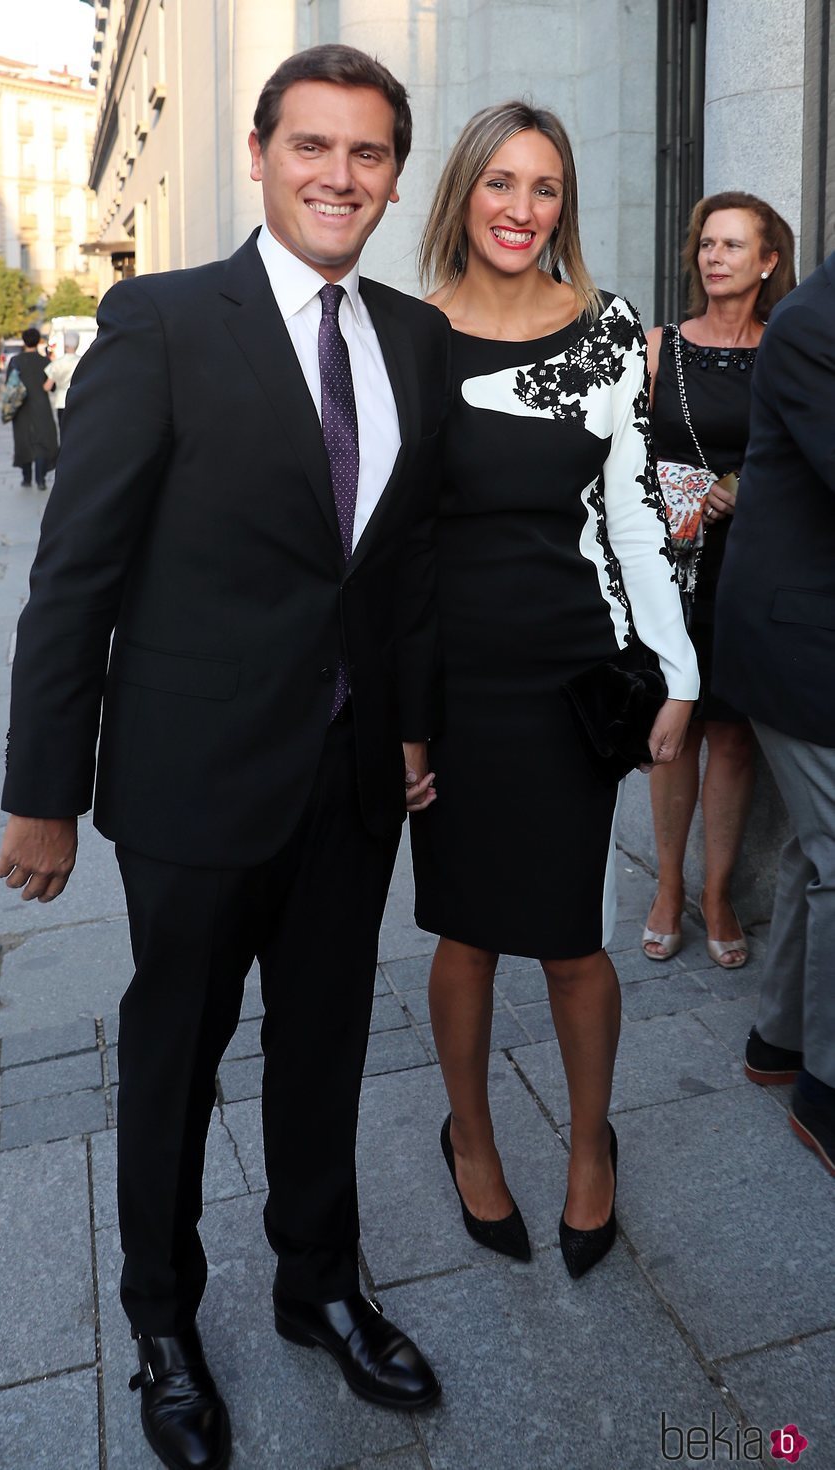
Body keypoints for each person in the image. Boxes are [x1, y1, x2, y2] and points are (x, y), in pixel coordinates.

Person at [0, 44, 449, 1470]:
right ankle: (164, 1321)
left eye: (368, 154)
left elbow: (402, 567)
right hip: (194, 778)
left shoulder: (414, 337)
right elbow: (78, 571)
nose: (339, 175)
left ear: (392, 176)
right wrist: (43, 791)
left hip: (351, 777)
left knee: (322, 1045)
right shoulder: (164, 320)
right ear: (259, 153)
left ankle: (320, 1282)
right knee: (174, 1055)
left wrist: (413, 719)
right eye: (313, 145)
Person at [410, 101, 698, 1279]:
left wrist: (679, 672)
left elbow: (634, 520)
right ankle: (469, 1139)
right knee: (466, 932)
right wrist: (396, 719)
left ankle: (589, 1149)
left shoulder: (609, 332)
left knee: (571, 938)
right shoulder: (404, 336)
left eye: (542, 187)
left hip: (571, 675)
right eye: (498, 183)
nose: (519, 209)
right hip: (450, 685)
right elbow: (386, 546)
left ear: (561, 204)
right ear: (462, 196)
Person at [642, 192, 796, 967]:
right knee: (675, 735)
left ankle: (716, 891)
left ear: (768, 262)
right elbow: (619, 456)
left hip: (749, 568)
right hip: (672, 563)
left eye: (734, 245)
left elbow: (804, 460)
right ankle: (668, 887)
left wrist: (750, 491)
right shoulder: (657, 347)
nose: (714, 256)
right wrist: (673, 491)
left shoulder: (786, 352)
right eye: (707, 243)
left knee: (732, 736)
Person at [713, 248, 835, 1177]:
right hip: (800, 638)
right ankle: (826, 1089)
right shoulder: (812, 325)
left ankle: (779, 1038)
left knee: (812, 845)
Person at [7, 328, 58, 489]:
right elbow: (52, 386)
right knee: (42, 440)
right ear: (38, 341)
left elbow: (9, 383)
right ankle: (41, 479)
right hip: (41, 405)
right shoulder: (45, 361)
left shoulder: (15, 360)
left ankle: (26, 478)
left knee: (23, 439)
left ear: (23, 341)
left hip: (21, 406)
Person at [43, 331, 81, 440]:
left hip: (61, 401)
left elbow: (47, 386)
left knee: (64, 433)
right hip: (77, 401)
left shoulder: (57, 363)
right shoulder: (82, 361)